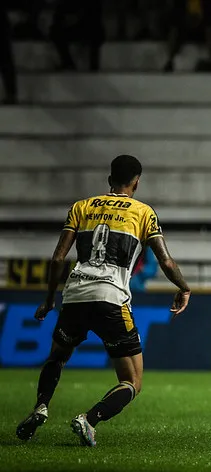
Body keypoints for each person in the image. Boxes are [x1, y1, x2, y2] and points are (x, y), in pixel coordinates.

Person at [15, 155, 191, 447]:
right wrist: (184, 288)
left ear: (109, 180)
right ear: (136, 182)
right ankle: (89, 419)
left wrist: (49, 300)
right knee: (132, 382)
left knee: (57, 356)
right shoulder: (143, 212)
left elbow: (58, 258)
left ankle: (40, 407)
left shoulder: (81, 207)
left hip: (75, 295)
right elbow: (167, 262)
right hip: (111, 297)